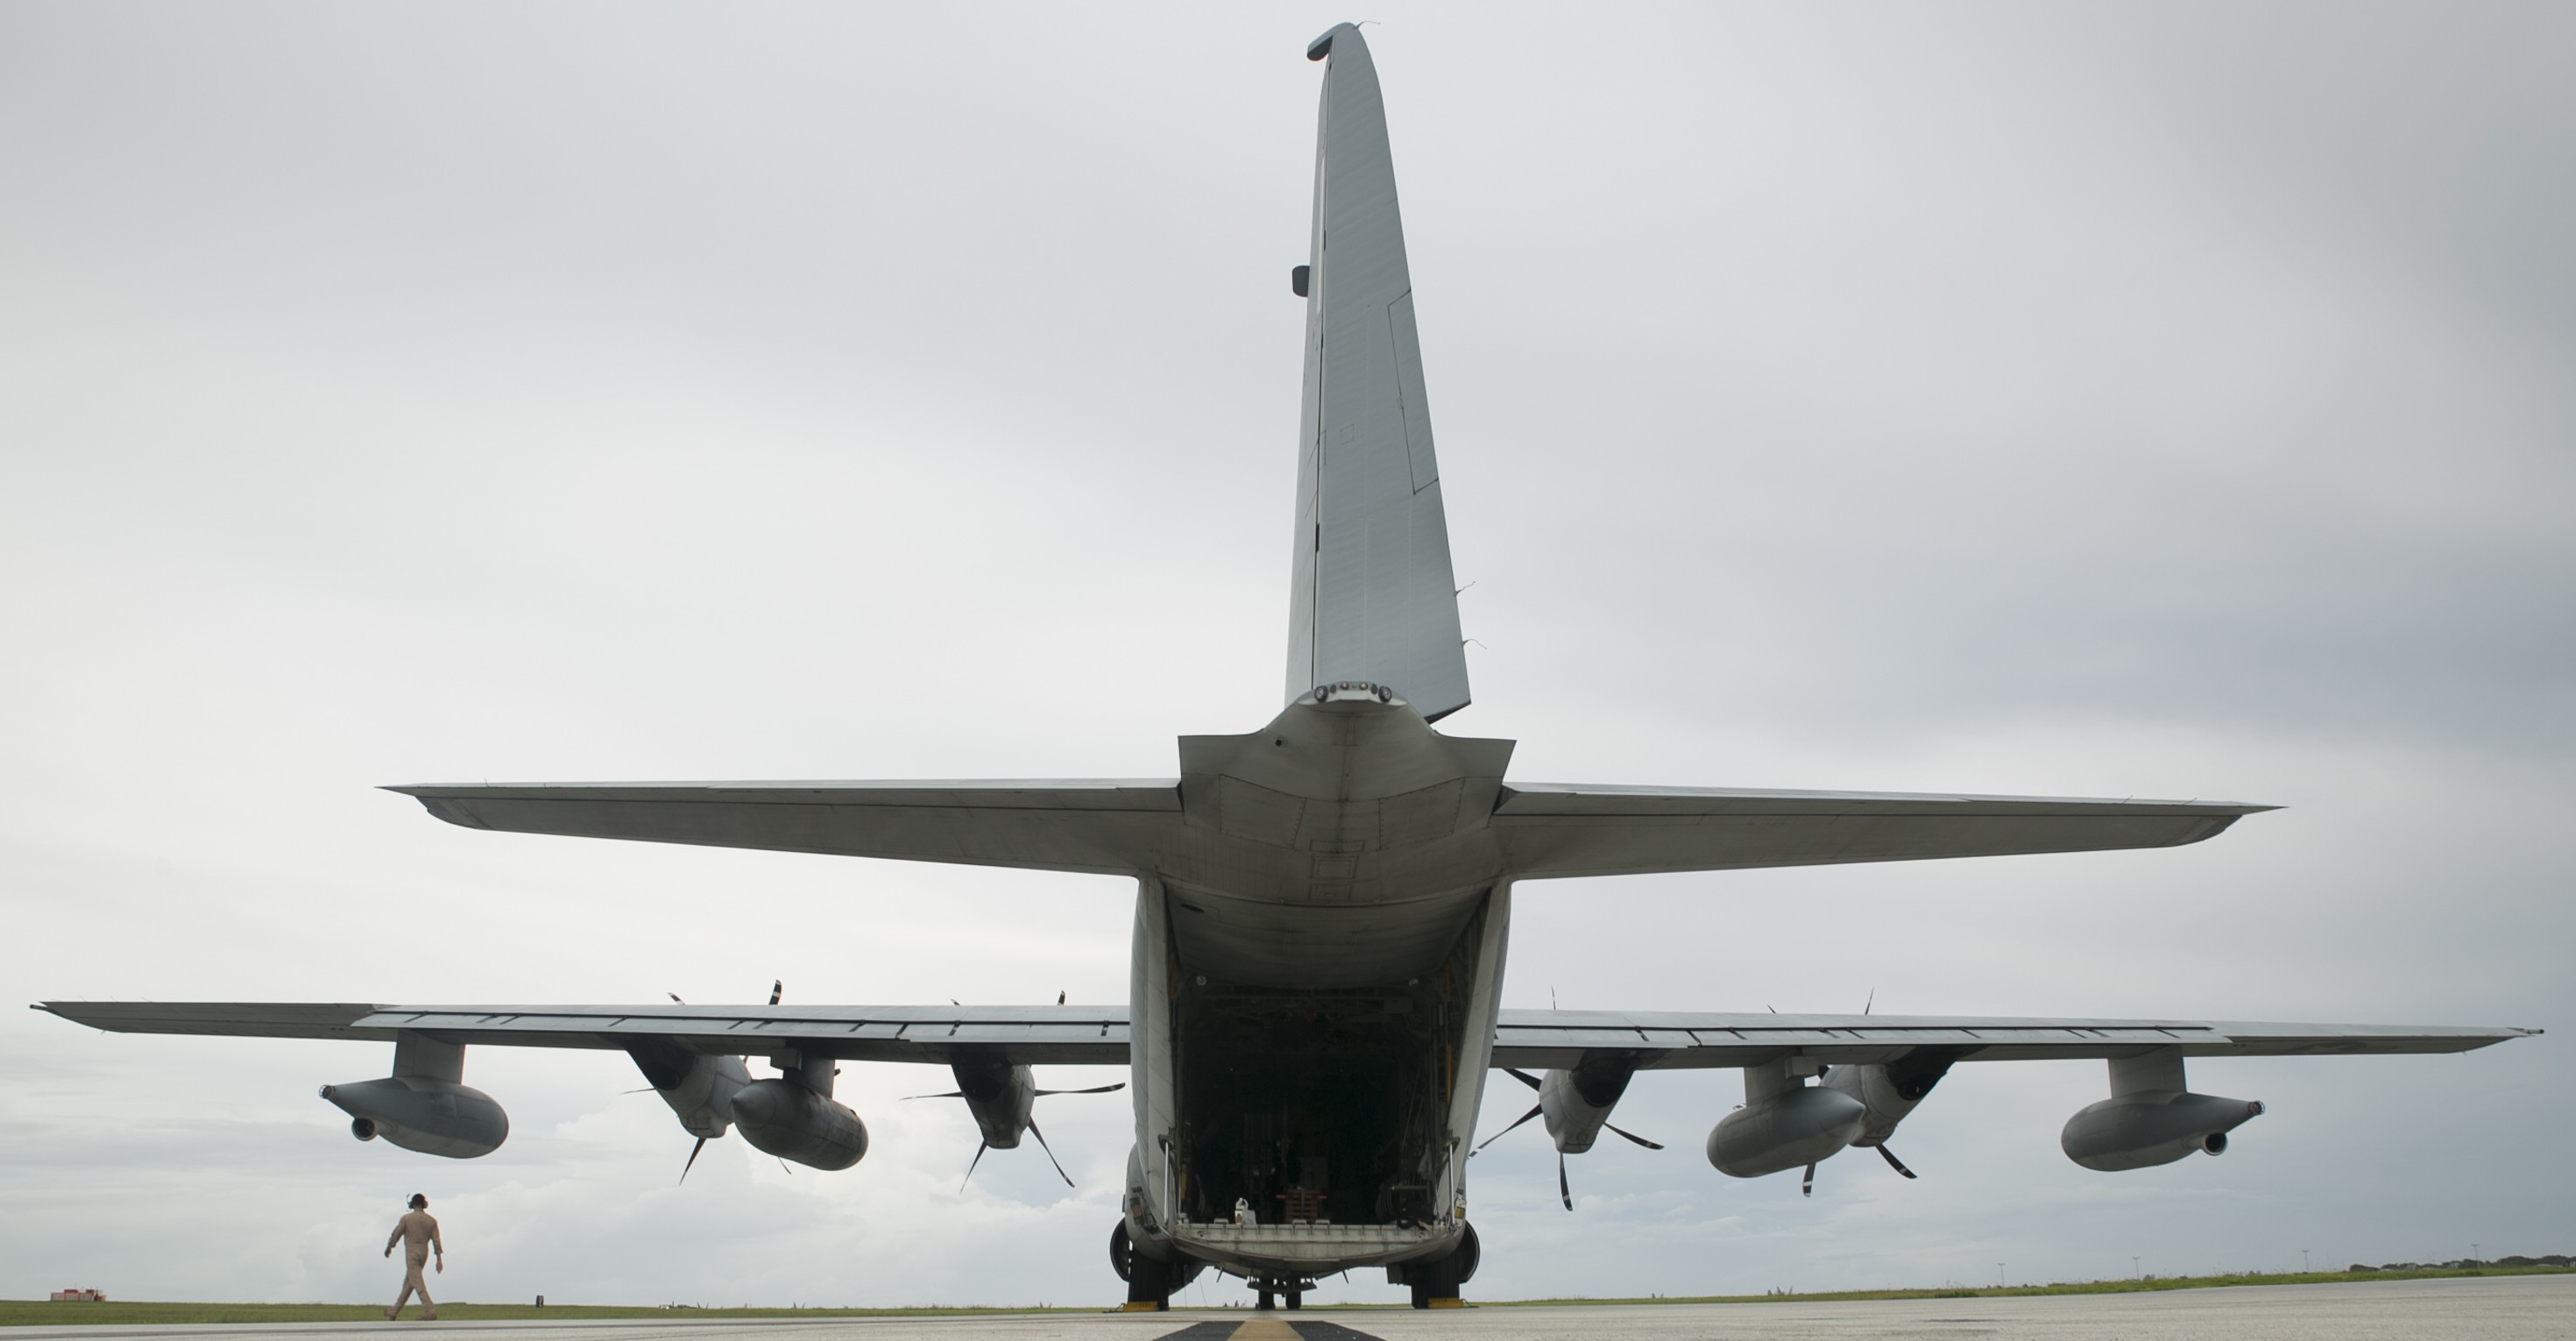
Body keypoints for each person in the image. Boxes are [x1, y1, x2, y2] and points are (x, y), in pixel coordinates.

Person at [382, 1193, 442, 1321]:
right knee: (409, 1283)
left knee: (416, 1281)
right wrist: (438, 1260)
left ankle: (429, 1309)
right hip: (424, 1252)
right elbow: (436, 1241)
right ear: (424, 1204)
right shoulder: (432, 1221)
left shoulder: (406, 1219)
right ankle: (393, 1312)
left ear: (411, 1204)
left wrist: (389, 1246)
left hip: (411, 1251)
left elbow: (396, 1234)